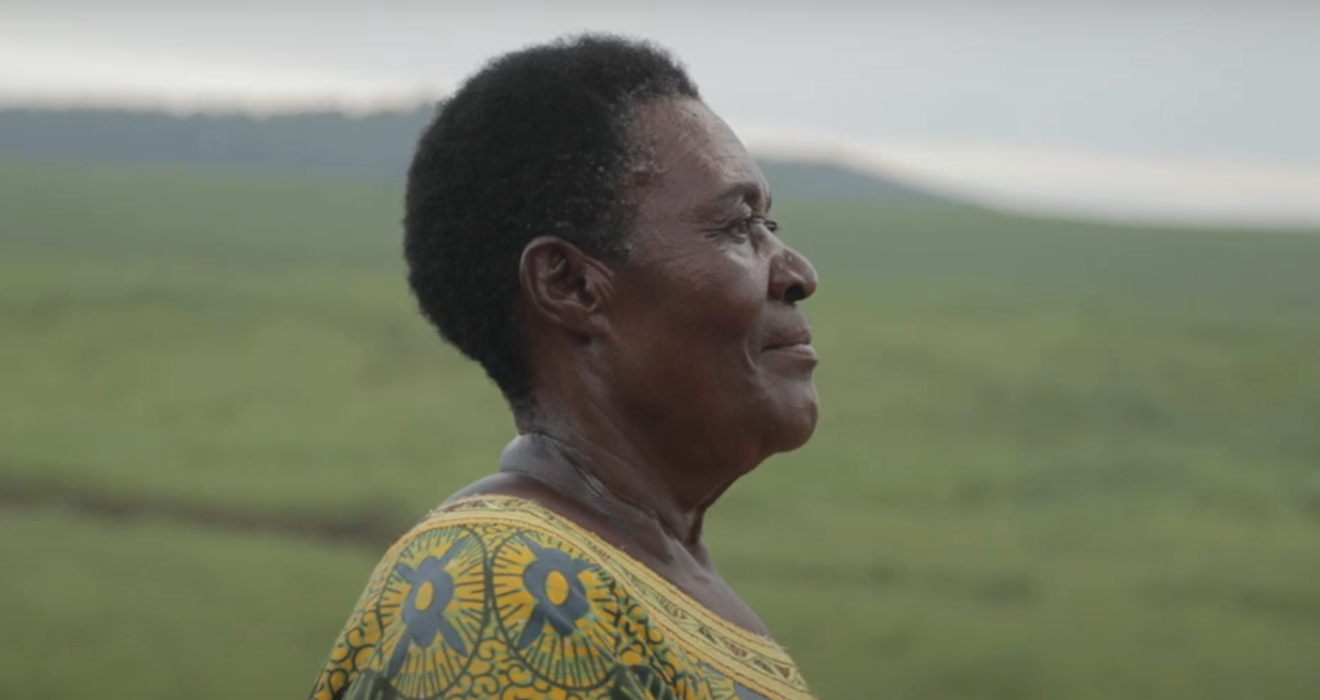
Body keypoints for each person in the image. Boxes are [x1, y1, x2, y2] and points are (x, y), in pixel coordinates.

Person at [307, 33, 821, 700]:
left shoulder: (641, 572)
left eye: (769, 223)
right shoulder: (510, 593)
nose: (798, 274)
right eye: (736, 226)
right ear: (572, 286)